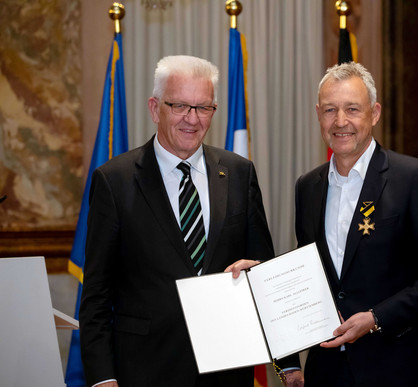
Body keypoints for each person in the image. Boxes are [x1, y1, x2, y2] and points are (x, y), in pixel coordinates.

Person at [79, 55, 286, 387]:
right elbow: (96, 296)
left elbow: (265, 272)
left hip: (226, 371)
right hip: (144, 371)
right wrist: (103, 378)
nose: (192, 119)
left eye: (203, 108)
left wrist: (287, 365)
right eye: (180, 106)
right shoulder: (114, 181)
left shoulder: (238, 172)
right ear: (154, 108)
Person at [294, 62, 418, 386]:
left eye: (352, 109)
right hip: (329, 372)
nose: (340, 121)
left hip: (402, 368)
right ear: (318, 114)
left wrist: (375, 318)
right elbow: (311, 274)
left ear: (374, 114)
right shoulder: (307, 187)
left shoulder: (414, 179)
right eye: (330, 110)